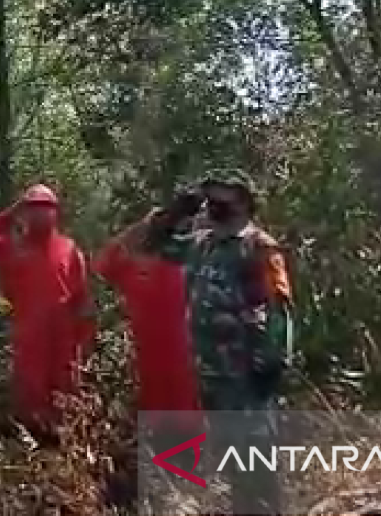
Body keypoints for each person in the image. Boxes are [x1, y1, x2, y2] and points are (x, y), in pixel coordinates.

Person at [133, 169, 294, 515]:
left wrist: (273, 361)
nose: (215, 201)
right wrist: (175, 213)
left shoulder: (258, 247)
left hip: (248, 375)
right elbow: (150, 246)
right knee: (234, 461)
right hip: (211, 373)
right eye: (211, 195)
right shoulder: (201, 244)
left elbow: (279, 306)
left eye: (224, 194)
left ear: (244, 201)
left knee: (257, 459)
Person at [0, 184, 95, 440]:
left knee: (66, 386)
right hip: (28, 330)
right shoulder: (11, 247)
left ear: (56, 213)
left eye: (46, 208)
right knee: (30, 389)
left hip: (63, 333)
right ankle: (34, 444)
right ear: (24, 213)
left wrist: (84, 340)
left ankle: (67, 447)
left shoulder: (70, 250)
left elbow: (82, 299)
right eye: (34, 208)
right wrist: (7, 215)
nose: (41, 214)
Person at [94, 218, 202, 448]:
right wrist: (142, 225)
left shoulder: (188, 266)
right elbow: (102, 265)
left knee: (182, 413)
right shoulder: (132, 266)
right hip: (144, 354)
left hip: (181, 354)